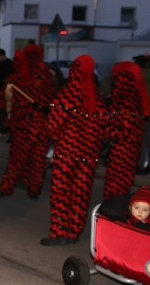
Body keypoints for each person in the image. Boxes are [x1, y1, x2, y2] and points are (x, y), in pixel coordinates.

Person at [42, 55, 107, 245]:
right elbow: (103, 128)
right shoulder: (98, 99)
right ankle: (74, 231)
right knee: (81, 193)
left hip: (67, 153)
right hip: (89, 155)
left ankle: (59, 232)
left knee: (61, 192)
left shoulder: (67, 95)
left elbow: (53, 126)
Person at [0, 44, 54, 199]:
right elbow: (53, 98)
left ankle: (6, 187)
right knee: (38, 159)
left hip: (24, 125)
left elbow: (5, 98)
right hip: (43, 125)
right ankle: (34, 189)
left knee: (16, 158)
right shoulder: (47, 76)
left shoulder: (18, 77)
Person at [102, 62, 150, 199]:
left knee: (116, 187)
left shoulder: (125, 101)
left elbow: (121, 129)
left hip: (122, 151)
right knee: (122, 185)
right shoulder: (132, 98)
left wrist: (105, 131)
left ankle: (114, 213)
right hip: (128, 150)